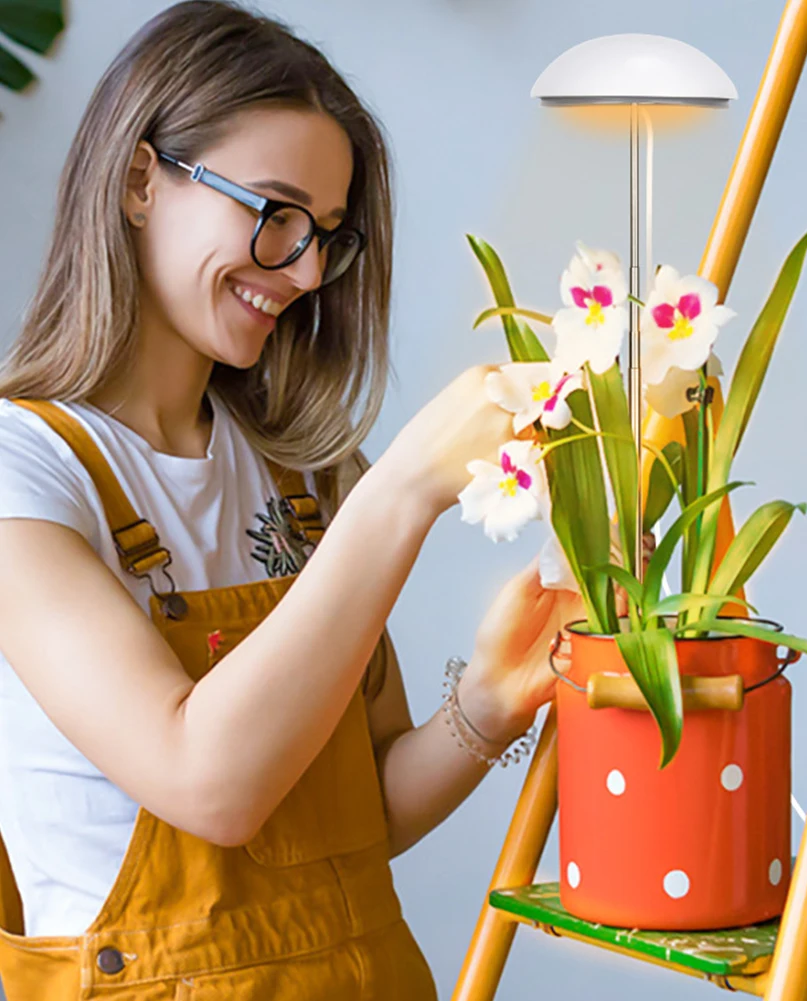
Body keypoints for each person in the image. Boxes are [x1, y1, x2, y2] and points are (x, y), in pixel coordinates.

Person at [0, 3, 585, 998]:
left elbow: (364, 813)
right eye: (273, 213)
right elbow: (210, 782)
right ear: (142, 181)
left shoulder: (301, 478)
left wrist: (487, 700)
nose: (306, 270)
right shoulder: (27, 475)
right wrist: (401, 489)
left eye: (323, 235)